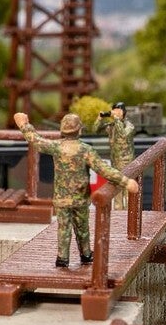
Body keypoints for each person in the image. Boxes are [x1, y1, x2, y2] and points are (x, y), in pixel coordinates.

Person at [15, 112, 139, 268]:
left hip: (61, 198)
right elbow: (104, 169)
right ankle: (86, 254)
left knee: (63, 229)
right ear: (79, 130)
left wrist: (24, 125)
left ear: (62, 130)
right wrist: (125, 181)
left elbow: (36, 141)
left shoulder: (56, 146)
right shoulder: (85, 150)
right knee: (83, 228)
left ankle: (62, 258)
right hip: (80, 198)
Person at [95, 101, 135, 210]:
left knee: (127, 192)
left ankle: (129, 213)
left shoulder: (129, 126)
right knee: (117, 190)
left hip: (127, 163)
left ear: (124, 112)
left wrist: (117, 119)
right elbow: (96, 130)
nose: (115, 112)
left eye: (118, 110)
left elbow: (123, 134)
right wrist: (99, 119)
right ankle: (118, 213)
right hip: (115, 163)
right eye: (114, 110)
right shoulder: (111, 126)